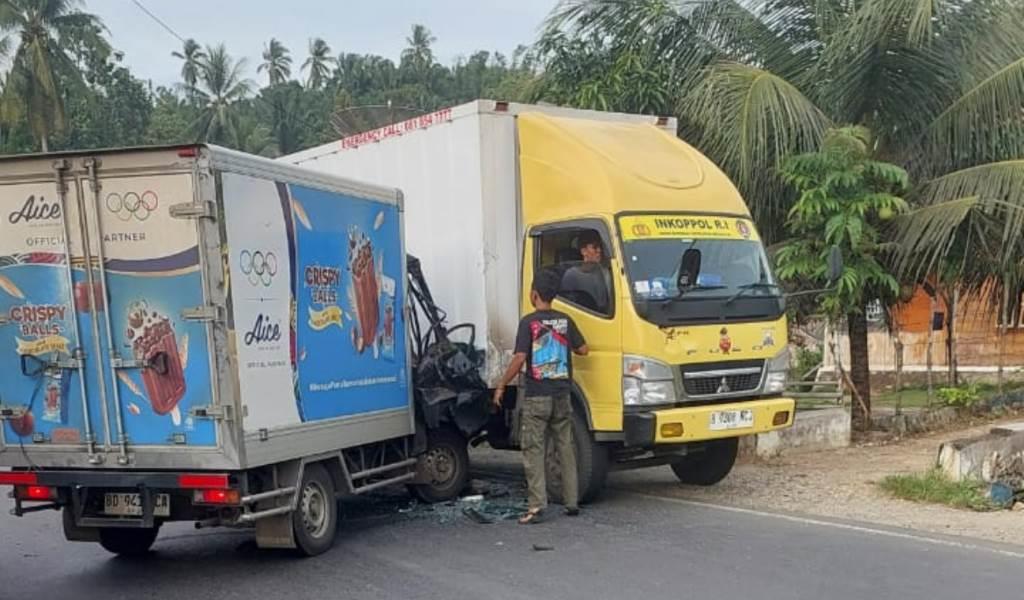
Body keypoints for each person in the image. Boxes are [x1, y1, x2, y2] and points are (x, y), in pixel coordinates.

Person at [493, 269, 589, 524]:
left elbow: (520, 358)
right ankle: (572, 502)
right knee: (565, 447)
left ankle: (537, 506)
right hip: (562, 395)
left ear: (534, 294)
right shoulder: (565, 321)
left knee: (533, 449)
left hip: (537, 397)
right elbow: (583, 349)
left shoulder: (528, 323)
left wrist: (502, 383)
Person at [560, 230, 610, 313]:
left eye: (600, 247)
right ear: (584, 251)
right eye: (595, 247)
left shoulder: (605, 272)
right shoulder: (571, 275)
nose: (599, 250)